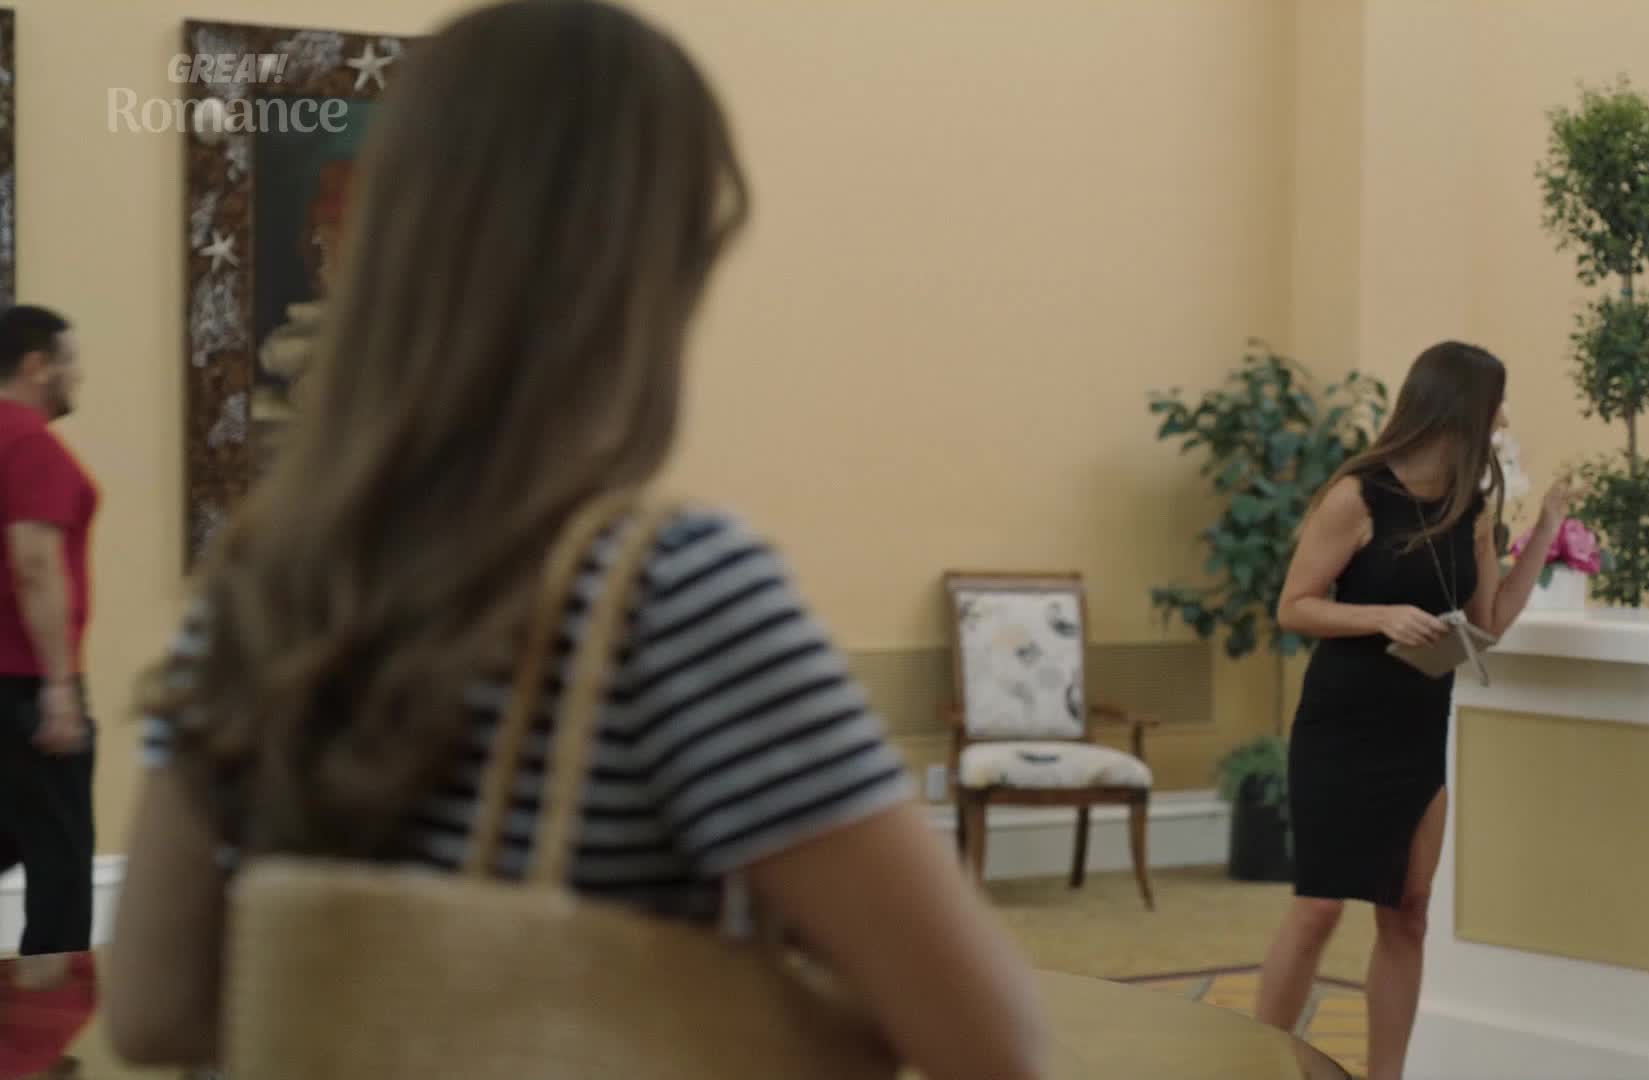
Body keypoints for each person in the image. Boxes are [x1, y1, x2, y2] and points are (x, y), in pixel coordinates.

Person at [102, 4, 1048, 1078]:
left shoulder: (261, 583)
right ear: (644, 269)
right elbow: (990, 1040)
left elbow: (151, 1011)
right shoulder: (668, 590)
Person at [1252, 342, 1574, 1080]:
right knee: (1318, 910)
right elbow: (1293, 607)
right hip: (1342, 724)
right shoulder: (1358, 497)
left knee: (1409, 911)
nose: (1503, 418)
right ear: (1460, 407)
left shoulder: (1472, 509)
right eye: (1497, 403)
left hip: (1421, 724)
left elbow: (1488, 623)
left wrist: (1548, 528)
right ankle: (1253, 1065)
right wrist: (1383, 616)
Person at [0, 304, 98, 961]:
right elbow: (34, 567)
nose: (78, 377)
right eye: (70, 363)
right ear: (37, 366)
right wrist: (59, 689)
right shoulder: (27, 442)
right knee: (60, 865)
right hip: (26, 682)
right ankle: (45, 1043)